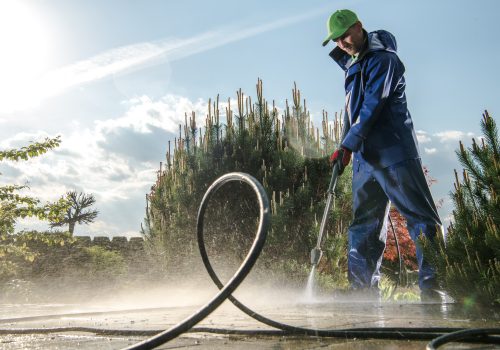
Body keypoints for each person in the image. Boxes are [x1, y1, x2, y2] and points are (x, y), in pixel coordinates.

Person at [322, 9, 443, 301]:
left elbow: (373, 105)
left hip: (394, 151)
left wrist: (350, 143)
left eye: (345, 35)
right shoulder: (354, 65)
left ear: (359, 27)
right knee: (364, 223)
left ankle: (434, 288)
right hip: (366, 158)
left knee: (420, 218)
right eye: (337, 40)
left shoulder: (384, 60)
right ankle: (362, 290)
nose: (343, 43)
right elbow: (352, 115)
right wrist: (344, 147)